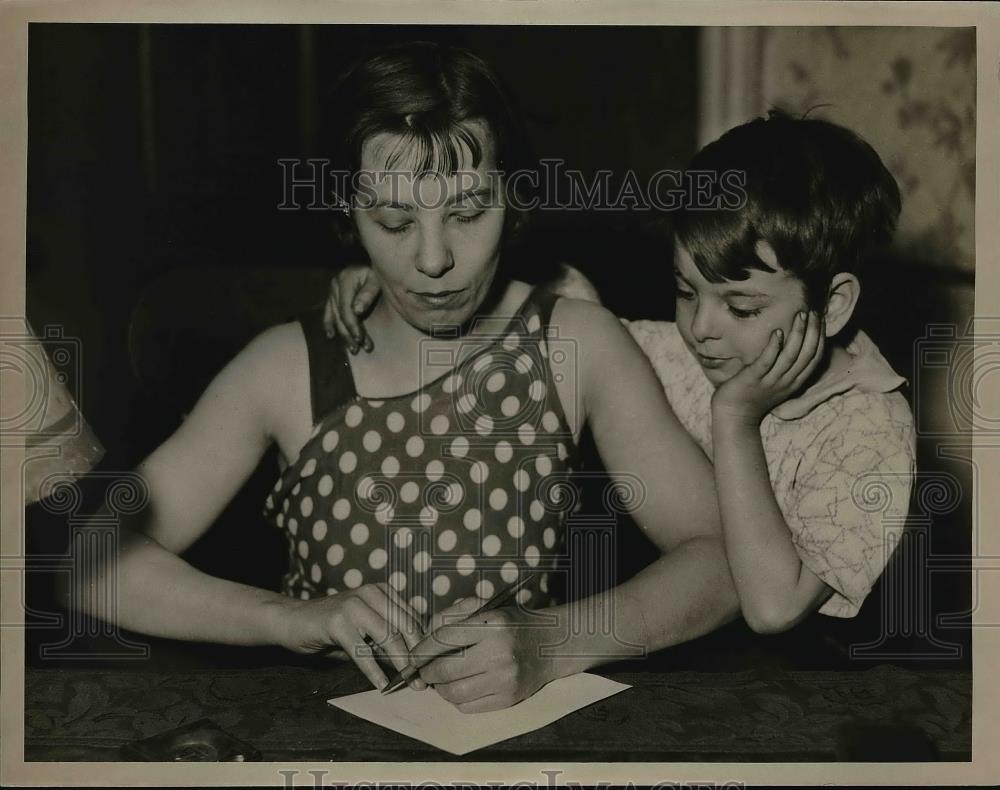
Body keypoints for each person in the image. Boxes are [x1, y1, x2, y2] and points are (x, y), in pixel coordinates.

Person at [72, 41, 738, 713]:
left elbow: (722, 559)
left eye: (469, 213)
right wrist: (284, 618)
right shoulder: (286, 367)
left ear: (516, 198)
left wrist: (556, 641)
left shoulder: (577, 343)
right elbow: (91, 566)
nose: (433, 259)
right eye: (393, 220)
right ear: (346, 213)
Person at [326, 110, 917, 636]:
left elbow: (771, 608)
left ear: (834, 305)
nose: (702, 328)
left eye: (742, 308)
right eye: (686, 292)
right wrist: (403, 283)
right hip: (678, 656)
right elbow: (554, 308)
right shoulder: (672, 351)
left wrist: (735, 417)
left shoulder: (871, 429)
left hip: (805, 694)